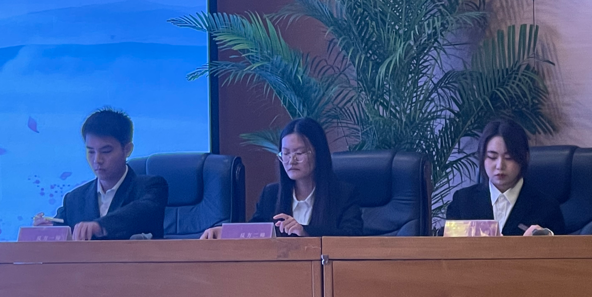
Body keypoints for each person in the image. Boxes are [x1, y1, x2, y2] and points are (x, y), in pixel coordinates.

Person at [201, 117, 363, 238]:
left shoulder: (343, 194)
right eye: (285, 154)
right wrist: (224, 233)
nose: (291, 161)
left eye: (299, 153)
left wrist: (305, 231)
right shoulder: (270, 195)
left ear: (318, 154)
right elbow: (254, 232)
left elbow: (353, 237)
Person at [32, 108, 168, 240]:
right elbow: (60, 232)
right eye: (91, 152)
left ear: (127, 149)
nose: (97, 160)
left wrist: (100, 226)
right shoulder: (74, 199)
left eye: (106, 151)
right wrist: (46, 231)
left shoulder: (151, 187)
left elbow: (141, 211)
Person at [446, 119, 564, 235]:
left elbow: (562, 246)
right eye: (492, 157)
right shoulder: (462, 201)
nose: (499, 166)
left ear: (525, 157)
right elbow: (449, 244)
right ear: (482, 157)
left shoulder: (547, 207)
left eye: (509, 158)